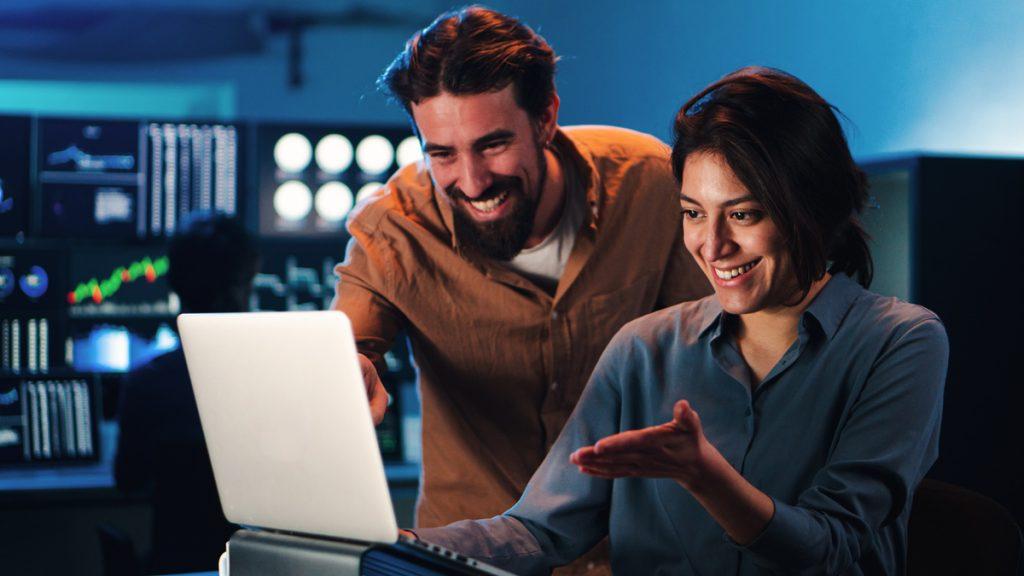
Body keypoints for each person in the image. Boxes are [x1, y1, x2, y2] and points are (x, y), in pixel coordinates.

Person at [412, 67, 949, 575]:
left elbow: (830, 549)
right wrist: (393, 547)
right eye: (694, 213)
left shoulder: (900, 342)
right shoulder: (643, 349)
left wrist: (703, 474)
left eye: (742, 214)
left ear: (812, 207)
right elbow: (538, 532)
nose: (711, 245)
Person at [331, 6, 709, 574]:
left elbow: (721, 341)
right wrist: (348, 371)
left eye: (492, 144)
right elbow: (345, 349)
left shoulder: (651, 182)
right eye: (442, 154)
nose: (472, 180)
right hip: (470, 561)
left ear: (546, 117)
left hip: (636, 554)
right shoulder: (393, 229)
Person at [115, 214, 259, 574]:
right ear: (243, 285)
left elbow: (128, 480)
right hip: (256, 565)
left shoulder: (147, 382)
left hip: (176, 564)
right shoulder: (276, 381)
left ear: (176, 284)